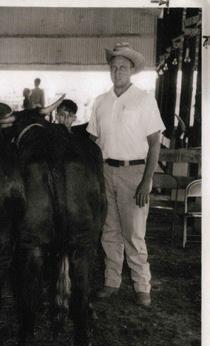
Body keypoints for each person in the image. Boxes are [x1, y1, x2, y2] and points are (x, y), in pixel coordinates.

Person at [87, 42, 165, 307]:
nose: (117, 71)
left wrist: (146, 181)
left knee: (134, 233)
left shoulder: (144, 99)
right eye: (113, 67)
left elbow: (155, 143)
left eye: (122, 67)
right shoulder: (101, 101)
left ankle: (142, 285)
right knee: (109, 231)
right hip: (105, 171)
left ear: (131, 70)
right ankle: (111, 281)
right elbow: (92, 140)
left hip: (134, 172)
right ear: (109, 70)